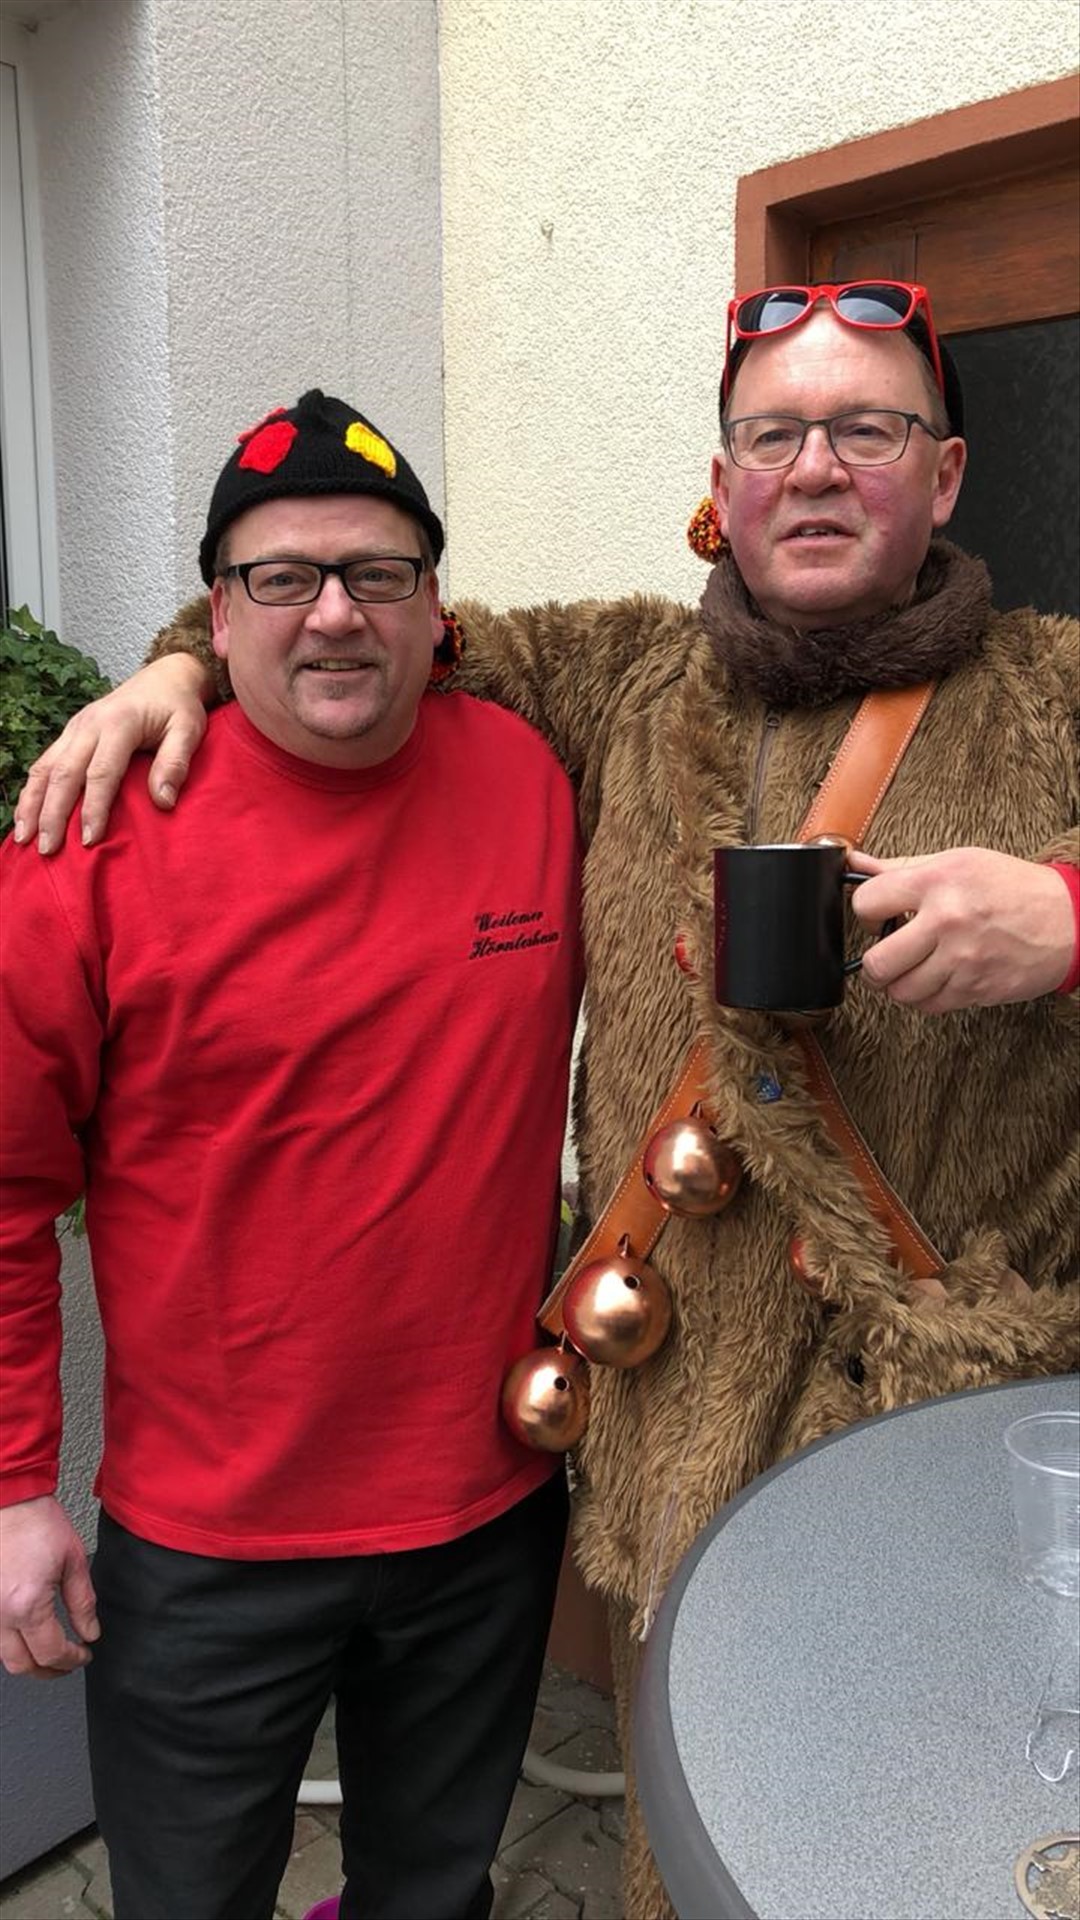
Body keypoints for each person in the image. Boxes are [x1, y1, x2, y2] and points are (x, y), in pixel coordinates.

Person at [12, 284, 1080, 1920]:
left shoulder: (1056, 692)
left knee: (913, 1846)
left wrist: (1070, 913)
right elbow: (349, 625)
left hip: (937, 1427)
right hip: (662, 1427)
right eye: (773, 434)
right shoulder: (622, 683)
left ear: (942, 477)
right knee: (676, 1841)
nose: (812, 467)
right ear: (720, 484)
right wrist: (162, 675)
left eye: (865, 429)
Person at [0, 389, 584, 1920]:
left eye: (378, 573)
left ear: (437, 608)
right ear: (216, 614)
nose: (334, 613)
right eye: (282, 577)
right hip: (208, 1546)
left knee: (434, 1893)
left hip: (486, 1513)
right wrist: (13, 1490)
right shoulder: (91, 837)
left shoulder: (533, 780)